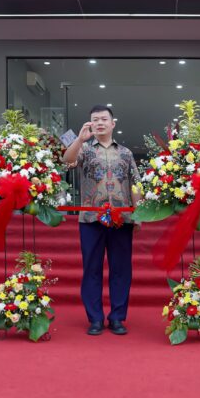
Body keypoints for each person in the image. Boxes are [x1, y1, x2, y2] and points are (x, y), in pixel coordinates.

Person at [63, 105, 141, 336]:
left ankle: (117, 317)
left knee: (121, 270)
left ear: (112, 123)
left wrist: (137, 215)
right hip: (91, 218)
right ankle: (95, 318)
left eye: (103, 119)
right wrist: (79, 140)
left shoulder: (126, 153)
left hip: (121, 218)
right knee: (92, 269)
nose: (99, 123)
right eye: (95, 120)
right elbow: (68, 160)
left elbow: (135, 182)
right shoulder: (85, 150)